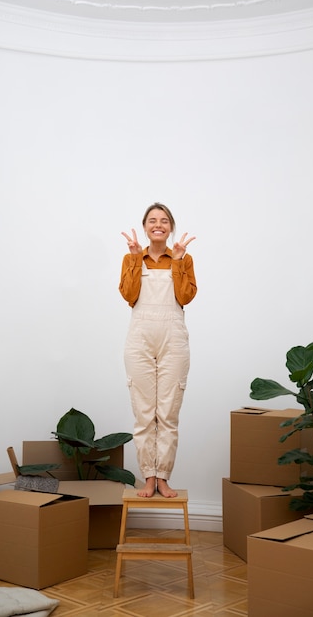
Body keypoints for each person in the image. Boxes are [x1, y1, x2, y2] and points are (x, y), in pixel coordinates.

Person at [119, 203, 197, 498]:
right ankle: (148, 477)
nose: (158, 225)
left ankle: (163, 476)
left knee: (168, 413)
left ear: (170, 226)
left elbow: (185, 297)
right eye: (152, 220)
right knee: (143, 413)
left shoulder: (183, 259)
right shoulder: (133, 258)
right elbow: (128, 295)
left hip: (173, 339)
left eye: (164, 220)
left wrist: (177, 261)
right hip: (139, 339)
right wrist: (134, 258)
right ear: (145, 226)